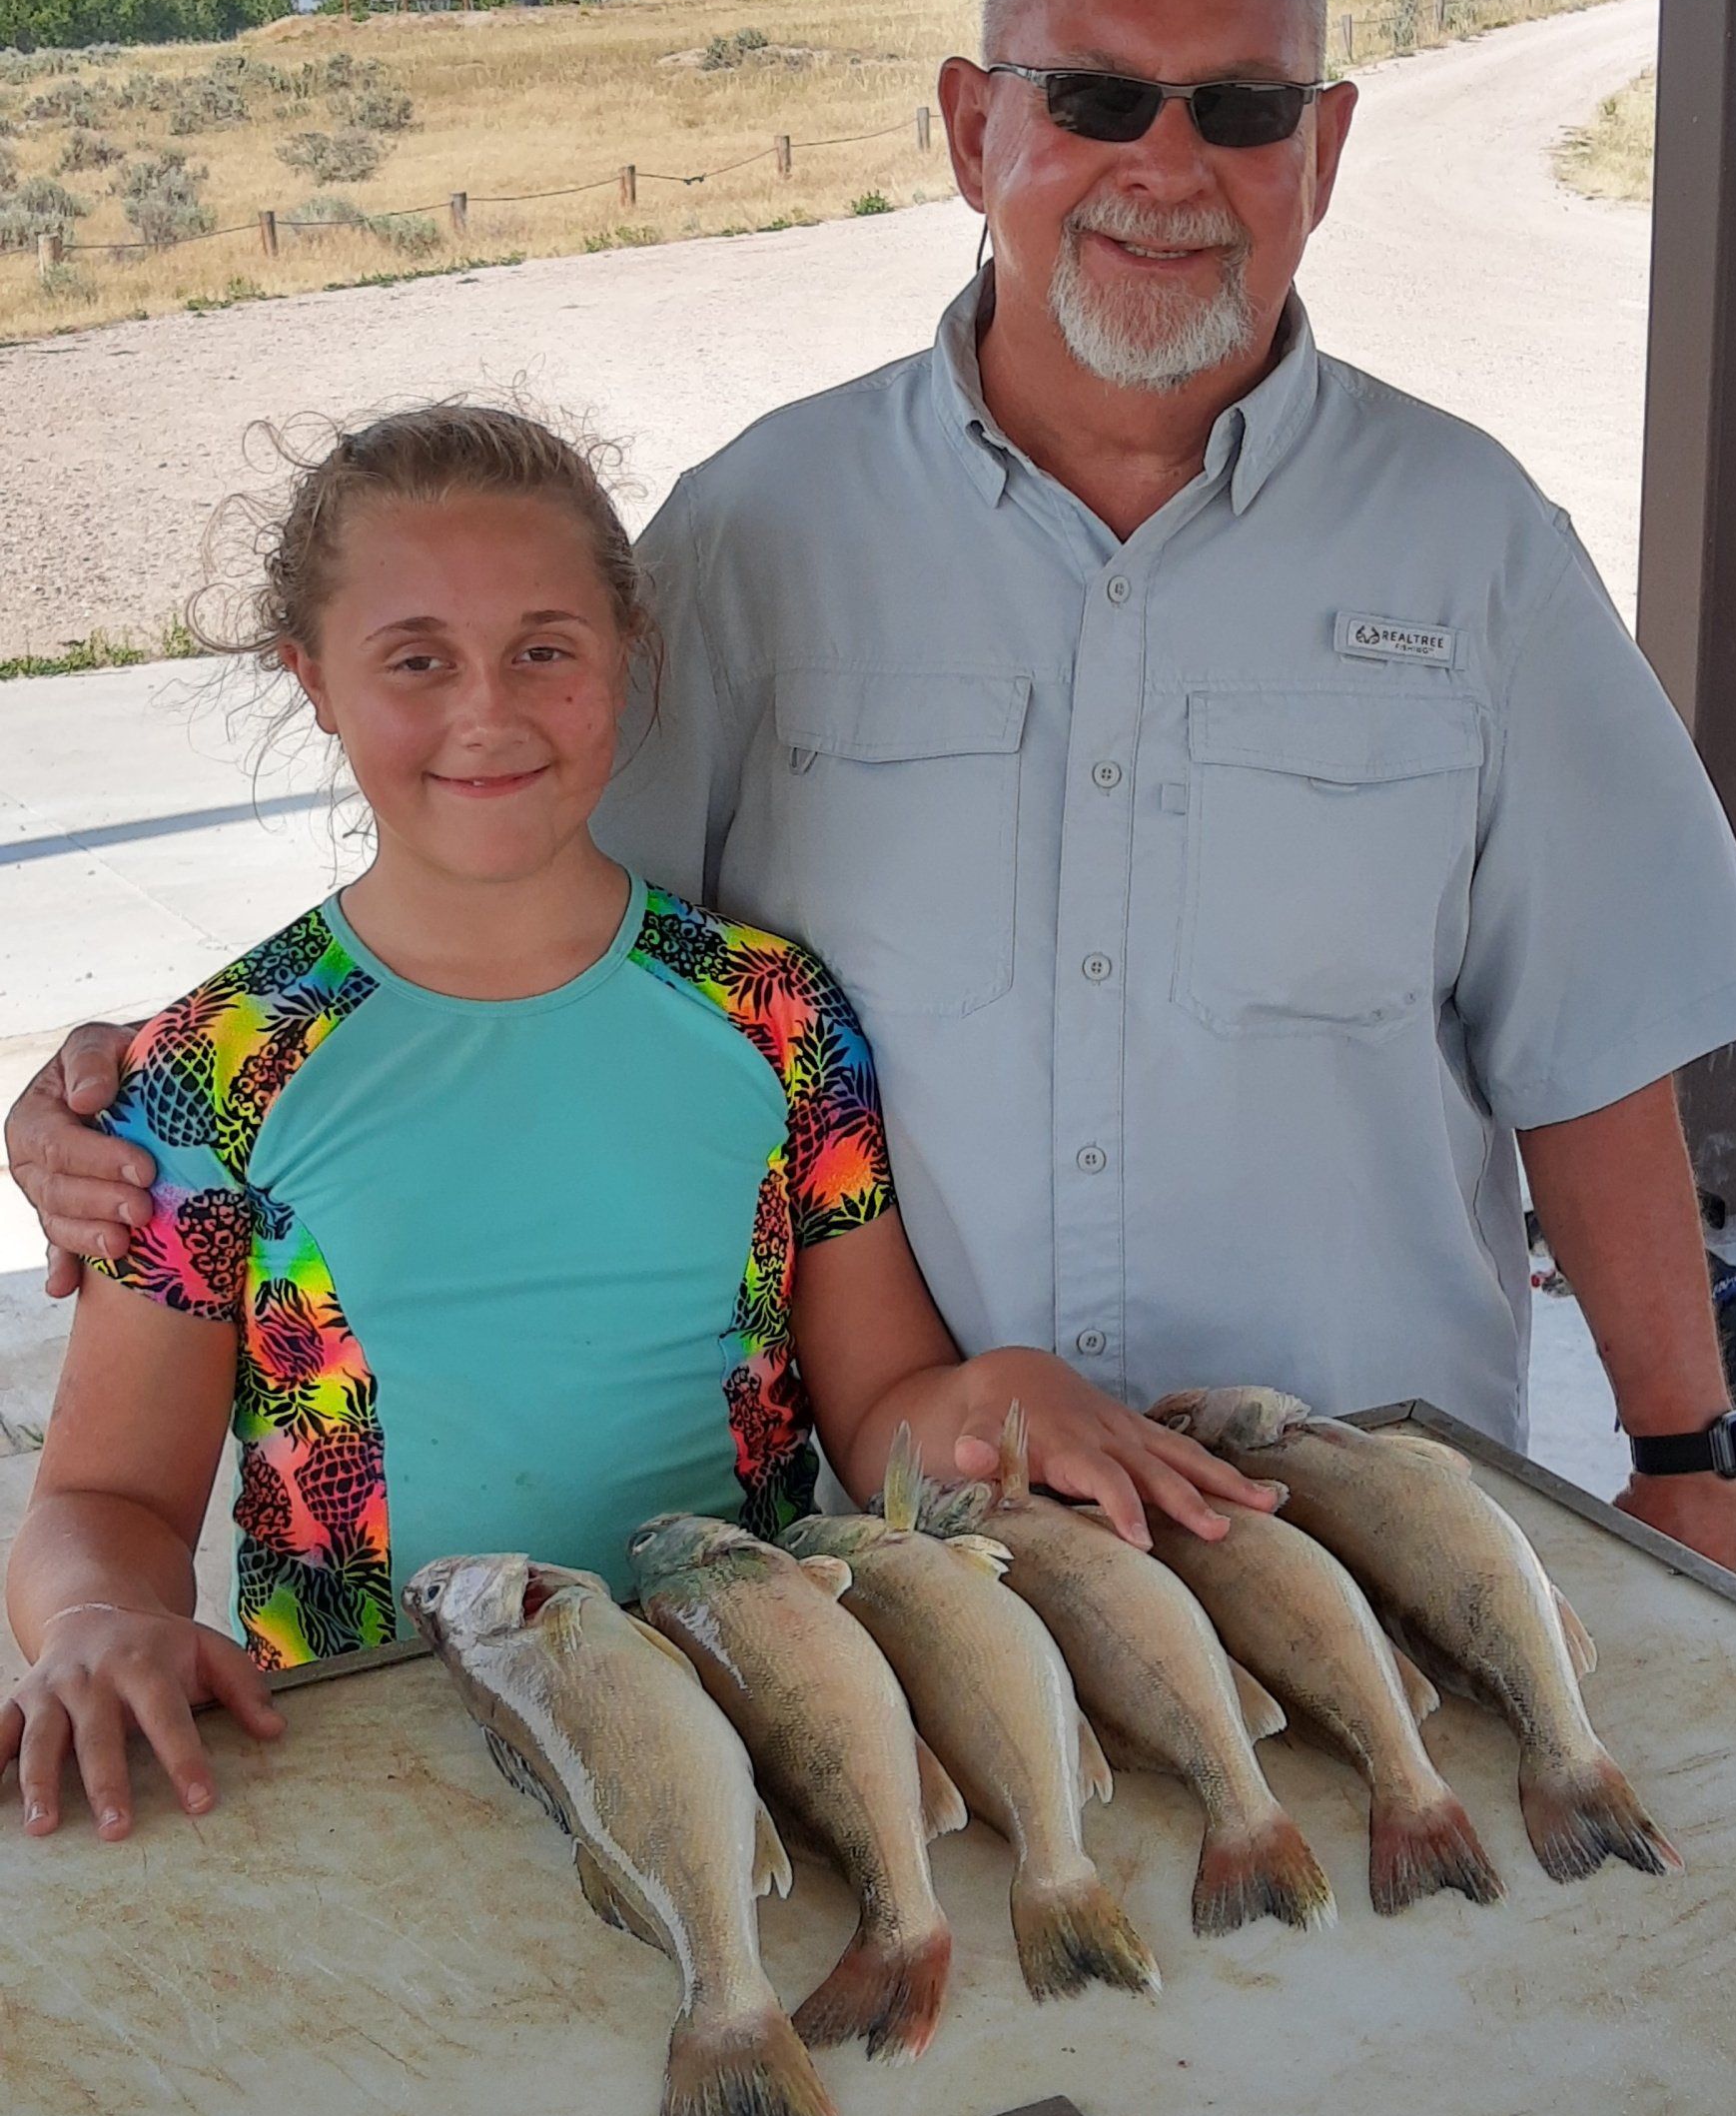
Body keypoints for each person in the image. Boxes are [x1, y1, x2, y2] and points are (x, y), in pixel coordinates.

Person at [8, 0, 1736, 1577]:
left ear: (1320, 151)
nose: (1168, 165)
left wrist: (1687, 1457)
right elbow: (515, 910)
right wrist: (150, 1102)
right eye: (1097, 96)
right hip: (911, 1598)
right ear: (970, 130)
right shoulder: (760, 531)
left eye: (1243, 108)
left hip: (1365, 1544)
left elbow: (1596, 1041)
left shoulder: (1477, 546)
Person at [0, 406, 1269, 1843]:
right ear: (315, 681)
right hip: (377, 1785)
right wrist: (93, 1619)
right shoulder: (209, 1072)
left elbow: (881, 1410)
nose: (488, 710)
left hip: (757, 1747)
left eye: (545, 650)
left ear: (627, 653)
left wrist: (999, 1397)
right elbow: (108, 1496)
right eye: (417, 660)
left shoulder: (775, 1016)